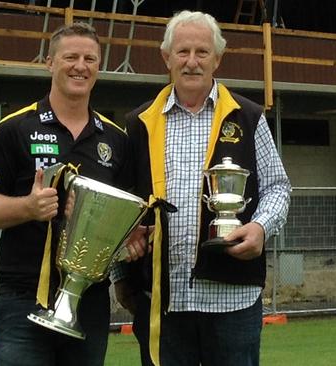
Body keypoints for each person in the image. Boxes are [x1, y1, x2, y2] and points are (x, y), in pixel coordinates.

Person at [113, 10, 291, 366]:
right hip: (162, 299)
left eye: (202, 52)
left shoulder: (248, 116)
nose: (191, 62)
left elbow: (277, 187)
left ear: (217, 59)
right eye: (182, 52)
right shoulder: (138, 124)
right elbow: (122, 205)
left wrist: (260, 227)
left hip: (232, 300)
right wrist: (122, 275)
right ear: (166, 58)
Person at [0, 22, 130, 366]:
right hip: (23, 296)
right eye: (70, 57)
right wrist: (28, 207)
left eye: (90, 58)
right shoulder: (14, 129)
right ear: (50, 63)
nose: (80, 66)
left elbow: (126, 217)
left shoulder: (115, 140)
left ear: (99, 66)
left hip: (90, 298)